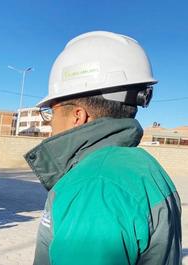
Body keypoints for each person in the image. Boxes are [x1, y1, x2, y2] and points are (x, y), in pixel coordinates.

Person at [26, 31, 181, 265]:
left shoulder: (94, 185)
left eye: (51, 111)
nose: (50, 123)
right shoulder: (143, 166)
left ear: (78, 116)